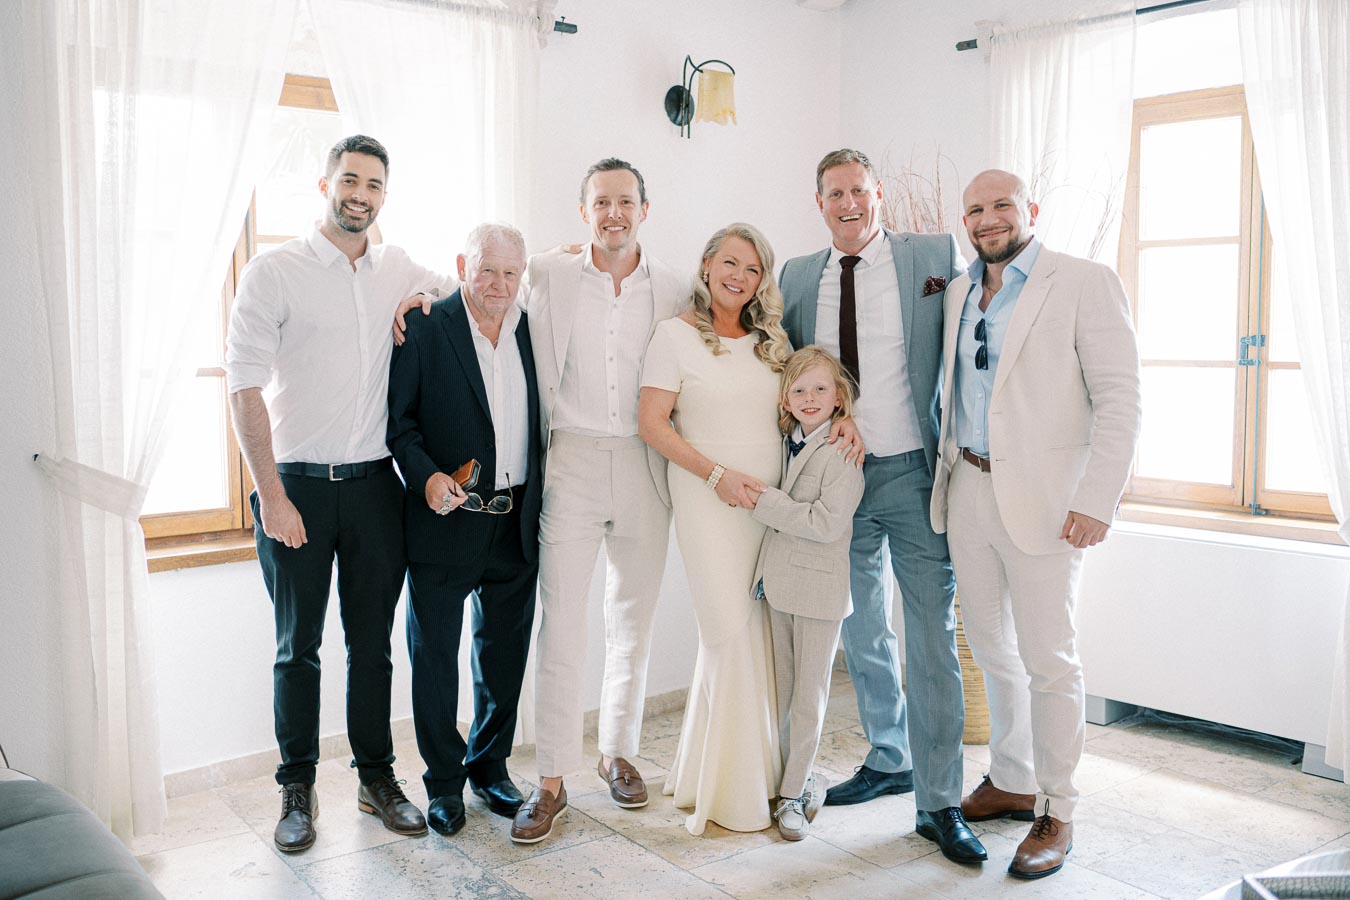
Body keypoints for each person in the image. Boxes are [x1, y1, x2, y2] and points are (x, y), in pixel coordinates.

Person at [225, 134, 454, 853]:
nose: (361, 194)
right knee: (297, 648)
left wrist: (421, 296)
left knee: (372, 646)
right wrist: (270, 496)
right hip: (294, 486)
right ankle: (296, 788)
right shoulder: (275, 271)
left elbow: (464, 286)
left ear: (385, 195)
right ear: (325, 185)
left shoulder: (398, 266)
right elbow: (243, 386)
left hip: (375, 489)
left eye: (374, 184)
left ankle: (375, 778)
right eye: (350, 180)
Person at [931, 169, 1141, 879]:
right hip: (968, 487)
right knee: (992, 646)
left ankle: (1058, 808)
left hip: (1050, 501)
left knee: (1050, 658)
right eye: (975, 210)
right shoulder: (960, 290)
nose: (987, 219)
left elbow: (1120, 398)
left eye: (1002, 205)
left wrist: (1098, 497)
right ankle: (1013, 777)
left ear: (1031, 210)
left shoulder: (1084, 282)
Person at [777, 148, 984, 863]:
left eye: (858, 191)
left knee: (929, 635)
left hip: (912, 471)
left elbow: (980, 321)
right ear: (819, 202)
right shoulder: (797, 276)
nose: (848, 204)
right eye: (834, 193)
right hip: (838, 479)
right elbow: (787, 366)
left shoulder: (932, 255)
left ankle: (940, 800)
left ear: (879, 194)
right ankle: (889, 755)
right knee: (861, 626)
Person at [510, 159, 688, 845]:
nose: (614, 213)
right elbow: (476, 280)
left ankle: (618, 752)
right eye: (601, 202)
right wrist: (414, 299)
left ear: (645, 208)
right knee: (562, 623)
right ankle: (552, 779)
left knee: (632, 620)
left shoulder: (674, 286)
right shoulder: (547, 274)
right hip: (573, 460)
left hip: (646, 460)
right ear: (584, 212)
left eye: (625, 201)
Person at [386, 222, 543, 837]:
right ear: (461, 267)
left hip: (515, 520)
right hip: (444, 520)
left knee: (503, 655)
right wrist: (426, 478)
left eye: (511, 273)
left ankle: (490, 767)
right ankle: (444, 783)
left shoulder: (533, 328)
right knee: (434, 659)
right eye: (487, 270)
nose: (499, 285)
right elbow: (400, 426)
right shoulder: (425, 326)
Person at [636, 222, 793, 835]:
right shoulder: (673, 335)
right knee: (726, 631)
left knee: (755, 635)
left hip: (768, 507)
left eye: (753, 269)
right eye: (730, 263)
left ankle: (732, 775)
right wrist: (718, 476)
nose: (739, 276)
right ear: (706, 266)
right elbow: (653, 424)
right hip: (708, 501)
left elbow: (804, 406)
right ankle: (733, 797)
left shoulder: (771, 341)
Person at [748, 346, 865, 841]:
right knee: (783, 692)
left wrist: (765, 502)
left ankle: (795, 793)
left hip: (819, 590)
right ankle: (789, 779)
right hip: (779, 584)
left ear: (839, 397)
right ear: (785, 399)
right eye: (799, 389)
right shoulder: (784, 441)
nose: (809, 397)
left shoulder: (843, 452)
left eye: (820, 388)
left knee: (808, 698)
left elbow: (826, 523)